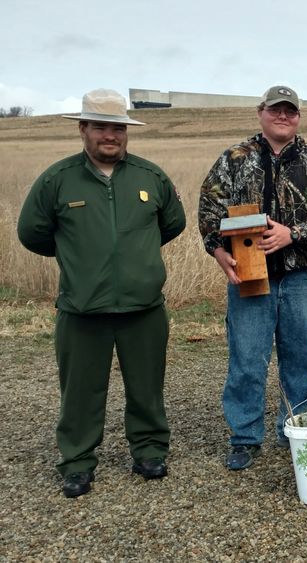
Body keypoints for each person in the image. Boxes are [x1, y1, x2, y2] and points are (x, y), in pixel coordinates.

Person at [17, 89, 186, 498]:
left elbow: (172, 224)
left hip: (143, 308)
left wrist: (135, 261)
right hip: (82, 309)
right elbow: (33, 233)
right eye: (100, 127)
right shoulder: (57, 180)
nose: (109, 135)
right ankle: (76, 461)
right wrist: (82, 258)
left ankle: (148, 450)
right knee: (79, 391)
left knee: (147, 387)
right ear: (83, 130)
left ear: (127, 132)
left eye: (117, 128)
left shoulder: (151, 177)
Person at [198, 85, 307, 471]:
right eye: (276, 110)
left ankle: (292, 429)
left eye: (290, 111)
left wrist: (291, 234)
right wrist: (217, 251)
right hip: (248, 279)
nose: (284, 116)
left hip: (300, 278)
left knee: (301, 359)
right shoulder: (234, 159)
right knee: (247, 360)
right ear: (261, 112)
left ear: (298, 117)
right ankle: (245, 437)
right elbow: (209, 208)